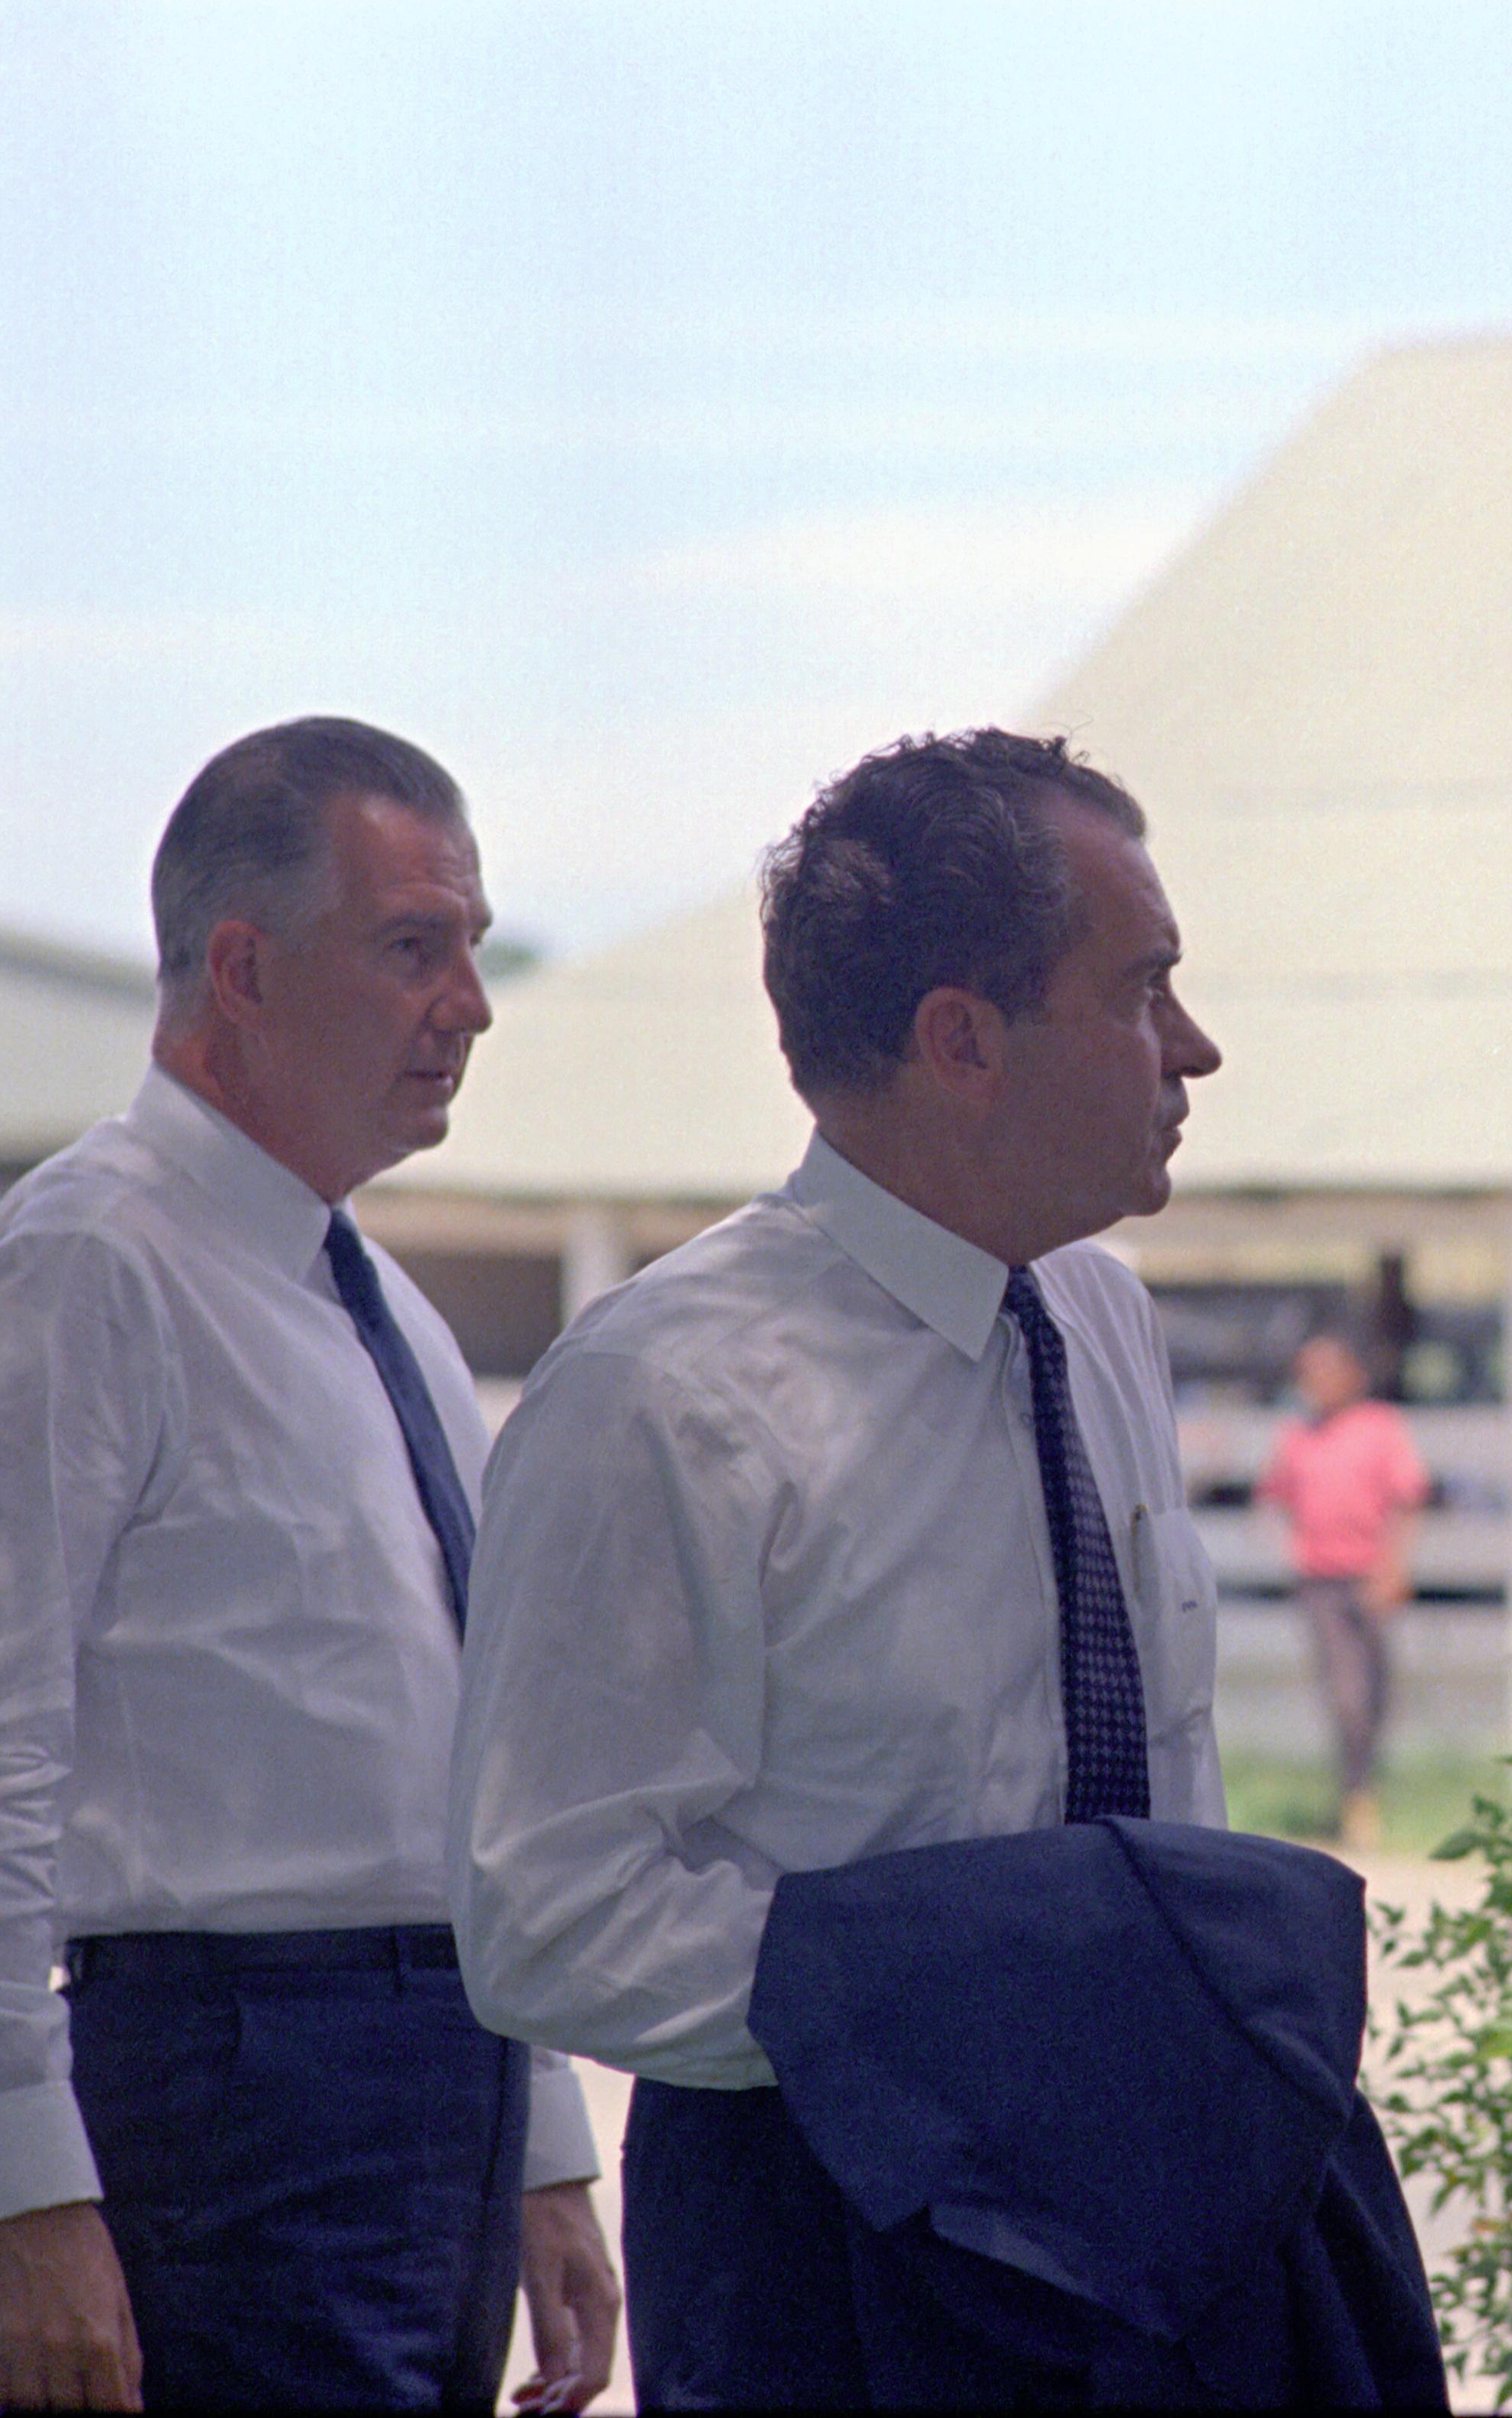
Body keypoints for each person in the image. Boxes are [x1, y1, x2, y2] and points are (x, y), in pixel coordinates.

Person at [453, 731, 1438, 2403]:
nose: (1193, 1046)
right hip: (839, 2244)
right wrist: (972, 2006)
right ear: (964, 1038)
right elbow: (545, 1914)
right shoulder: (664, 1392)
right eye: (1143, 990)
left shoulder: (1100, 1316)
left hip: (1167, 2217)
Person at [0, 718, 618, 2413]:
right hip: (238, 2087)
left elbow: (453, 1743)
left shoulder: (379, 1304)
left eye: (472, 948)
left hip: (433, 2073)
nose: (470, 1003)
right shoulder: (83, 1272)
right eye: (416, 946)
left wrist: (539, 2131)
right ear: (245, 968)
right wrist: (24, 2185)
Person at [1261, 1328, 1432, 1849]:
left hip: (1370, 1576)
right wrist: (1290, 1548)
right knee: (1346, 1693)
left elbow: (1407, 1499)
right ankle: (1355, 1795)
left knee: (1376, 1690)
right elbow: (1274, 1496)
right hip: (1321, 1580)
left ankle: (1364, 1785)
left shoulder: (1380, 1427)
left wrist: (1393, 1568)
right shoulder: (1298, 1434)